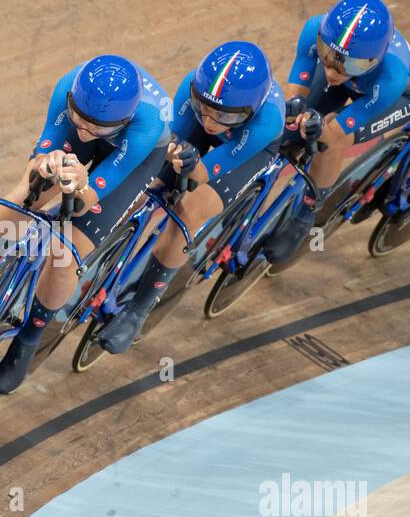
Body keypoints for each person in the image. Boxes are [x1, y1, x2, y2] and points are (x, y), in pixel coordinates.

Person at [0, 54, 170, 394]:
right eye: (80, 117)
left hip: (131, 158)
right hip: (100, 128)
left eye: (97, 127)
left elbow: (92, 195)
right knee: (31, 183)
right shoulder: (68, 89)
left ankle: (29, 339)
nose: (87, 131)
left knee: (64, 252)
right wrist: (48, 165)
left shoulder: (145, 124)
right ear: (73, 101)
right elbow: (45, 148)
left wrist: (77, 186)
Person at [97, 41, 285, 353]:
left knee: (189, 209)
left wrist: (188, 164)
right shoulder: (194, 88)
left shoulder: (265, 122)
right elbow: (170, 145)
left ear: (248, 111)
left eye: (222, 116)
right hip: (208, 129)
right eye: (204, 108)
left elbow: (201, 175)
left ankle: (137, 310)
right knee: (151, 181)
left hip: (246, 149)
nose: (210, 122)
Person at [263, 0, 410, 262]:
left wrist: (320, 128)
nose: (332, 71)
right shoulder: (316, 29)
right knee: (290, 129)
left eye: (350, 65)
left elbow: (335, 132)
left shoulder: (390, 77)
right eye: (327, 55)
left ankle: (306, 213)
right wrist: (295, 111)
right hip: (356, 81)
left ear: (373, 61)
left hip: (395, 97)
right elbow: (295, 96)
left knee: (329, 142)